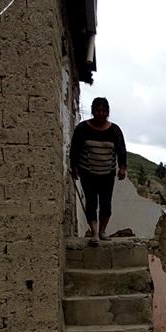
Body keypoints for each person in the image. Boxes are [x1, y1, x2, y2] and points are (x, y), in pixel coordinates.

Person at [69, 97, 127, 246]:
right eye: (97, 110)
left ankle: (102, 231)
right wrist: (73, 166)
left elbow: (121, 150)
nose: (100, 114)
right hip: (87, 173)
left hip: (107, 174)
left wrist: (122, 167)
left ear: (108, 112)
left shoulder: (114, 130)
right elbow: (74, 149)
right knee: (91, 203)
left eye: (104, 111)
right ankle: (94, 233)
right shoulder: (83, 129)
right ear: (92, 111)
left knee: (106, 205)